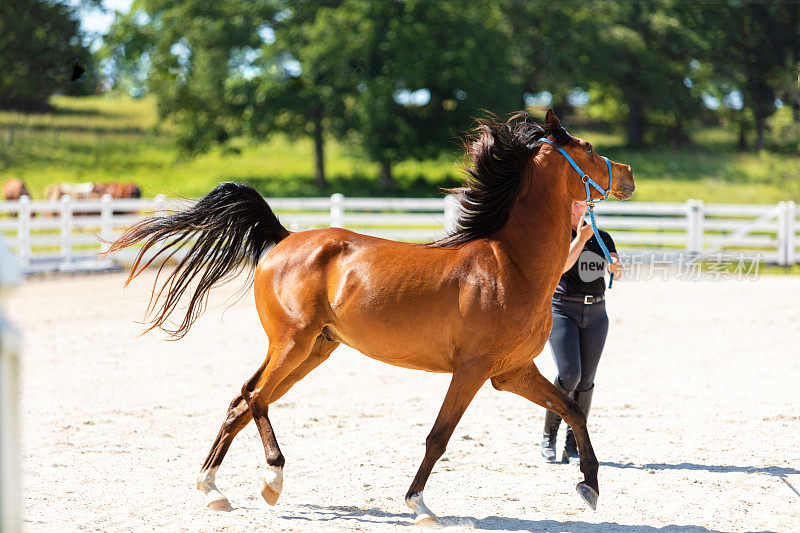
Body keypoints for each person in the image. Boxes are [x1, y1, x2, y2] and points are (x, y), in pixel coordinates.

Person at [541, 200, 623, 463]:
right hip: (563, 310)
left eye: (581, 204)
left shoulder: (602, 236)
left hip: (597, 313)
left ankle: (574, 443)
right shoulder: (556, 235)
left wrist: (614, 266)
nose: (577, 209)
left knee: (586, 380)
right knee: (569, 374)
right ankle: (549, 436)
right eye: (573, 204)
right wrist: (581, 238)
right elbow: (563, 265)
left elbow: (615, 269)